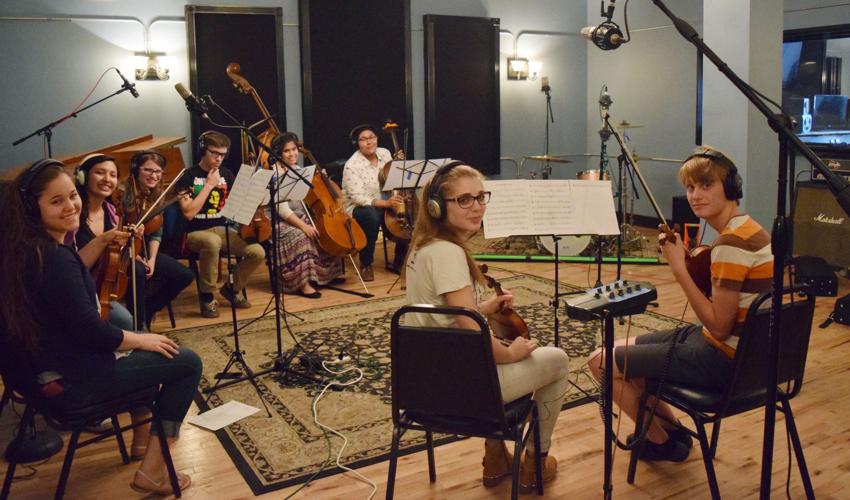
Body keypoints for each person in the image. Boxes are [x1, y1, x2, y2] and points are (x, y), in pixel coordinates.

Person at [0, 159, 202, 495]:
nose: (70, 206)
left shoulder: (27, 252)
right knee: (185, 361)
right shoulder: (55, 259)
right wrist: (142, 340)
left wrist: (106, 238)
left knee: (147, 356)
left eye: (71, 196)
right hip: (74, 385)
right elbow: (95, 333)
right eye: (56, 201)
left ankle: (142, 444)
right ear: (31, 208)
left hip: (38, 381)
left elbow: (70, 278)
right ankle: (153, 471)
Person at [586, 145, 772, 462]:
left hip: (722, 359)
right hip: (740, 353)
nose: (695, 195)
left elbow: (718, 324)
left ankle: (659, 441)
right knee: (617, 352)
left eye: (706, 184)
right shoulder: (749, 229)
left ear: (730, 188)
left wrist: (677, 268)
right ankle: (673, 432)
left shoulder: (730, 243)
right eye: (690, 187)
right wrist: (690, 263)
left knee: (599, 363)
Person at [403, 161, 569, 491]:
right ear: (437, 207)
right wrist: (511, 354)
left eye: (480, 196)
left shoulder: (424, 247)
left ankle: (496, 458)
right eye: (464, 199)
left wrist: (483, 307)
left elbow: (449, 316)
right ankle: (535, 462)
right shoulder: (448, 253)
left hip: (423, 385)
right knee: (558, 361)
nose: (477, 206)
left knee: (513, 354)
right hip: (462, 391)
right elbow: (470, 328)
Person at [176, 130, 266, 318]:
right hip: (194, 232)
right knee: (211, 242)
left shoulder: (226, 174)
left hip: (223, 228)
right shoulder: (187, 175)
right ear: (203, 150)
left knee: (257, 252)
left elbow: (237, 205)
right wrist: (209, 185)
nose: (219, 159)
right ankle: (207, 295)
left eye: (222, 155)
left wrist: (254, 197)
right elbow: (189, 213)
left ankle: (232, 288)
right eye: (214, 153)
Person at [115, 150, 195, 329]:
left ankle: (149, 308)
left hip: (144, 250)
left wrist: (151, 258)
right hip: (124, 252)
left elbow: (156, 232)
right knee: (138, 271)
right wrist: (135, 255)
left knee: (184, 276)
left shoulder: (156, 195)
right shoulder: (122, 193)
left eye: (158, 172)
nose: (154, 176)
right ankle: (139, 323)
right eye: (148, 170)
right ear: (136, 169)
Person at [265, 132, 343, 298]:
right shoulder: (274, 175)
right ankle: (303, 283)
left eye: (294, 149)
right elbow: (282, 210)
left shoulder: (300, 171)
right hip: (277, 221)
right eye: (287, 151)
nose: (292, 154)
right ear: (278, 153)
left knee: (324, 229)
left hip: (299, 215)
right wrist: (304, 226)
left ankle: (325, 276)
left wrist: (320, 181)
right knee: (301, 235)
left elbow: (311, 197)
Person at [68, 153, 140, 330]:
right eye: (100, 172)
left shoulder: (111, 211)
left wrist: (132, 239)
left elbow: (115, 255)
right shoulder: (71, 214)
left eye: (113, 175)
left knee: (131, 323)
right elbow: (72, 268)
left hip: (103, 290)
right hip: (77, 292)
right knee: (127, 323)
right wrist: (103, 239)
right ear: (83, 177)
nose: (107, 179)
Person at [341, 123, 407, 281]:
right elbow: (358, 197)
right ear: (357, 143)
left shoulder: (384, 153)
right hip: (360, 207)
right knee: (371, 216)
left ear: (376, 139)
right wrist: (385, 204)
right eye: (363, 139)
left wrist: (397, 164)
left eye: (371, 137)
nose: (368, 142)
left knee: (408, 211)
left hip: (386, 199)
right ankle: (366, 263)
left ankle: (399, 261)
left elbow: (391, 178)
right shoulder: (352, 166)